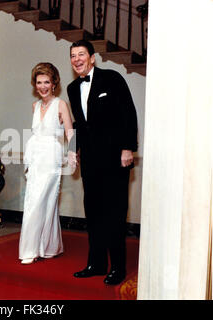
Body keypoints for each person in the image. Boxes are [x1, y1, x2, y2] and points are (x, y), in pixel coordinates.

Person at [67, 40, 138, 285]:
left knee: (115, 214)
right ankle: (96, 264)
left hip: (116, 158)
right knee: (94, 213)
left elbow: (128, 113)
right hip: (90, 161)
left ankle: (118, 267)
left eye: (81, 54)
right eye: (73, 56)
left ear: (92, 57)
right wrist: (73, 150)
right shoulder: (72, 88)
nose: (77, 59)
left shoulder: (112, 78)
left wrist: (128, 147)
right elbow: (78, 124)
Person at [19, 62, 77, 264]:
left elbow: (70, 132)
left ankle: (31, 250)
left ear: (54, 84)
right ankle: (49, 247)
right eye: (38, 82)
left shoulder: (61, 104)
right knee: (35, 200)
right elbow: (36, 134)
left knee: (43, 200)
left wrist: (71, 154)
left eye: (46, 82)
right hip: (35, 158)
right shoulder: (35, 106)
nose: (42, 86)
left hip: (52, 157)